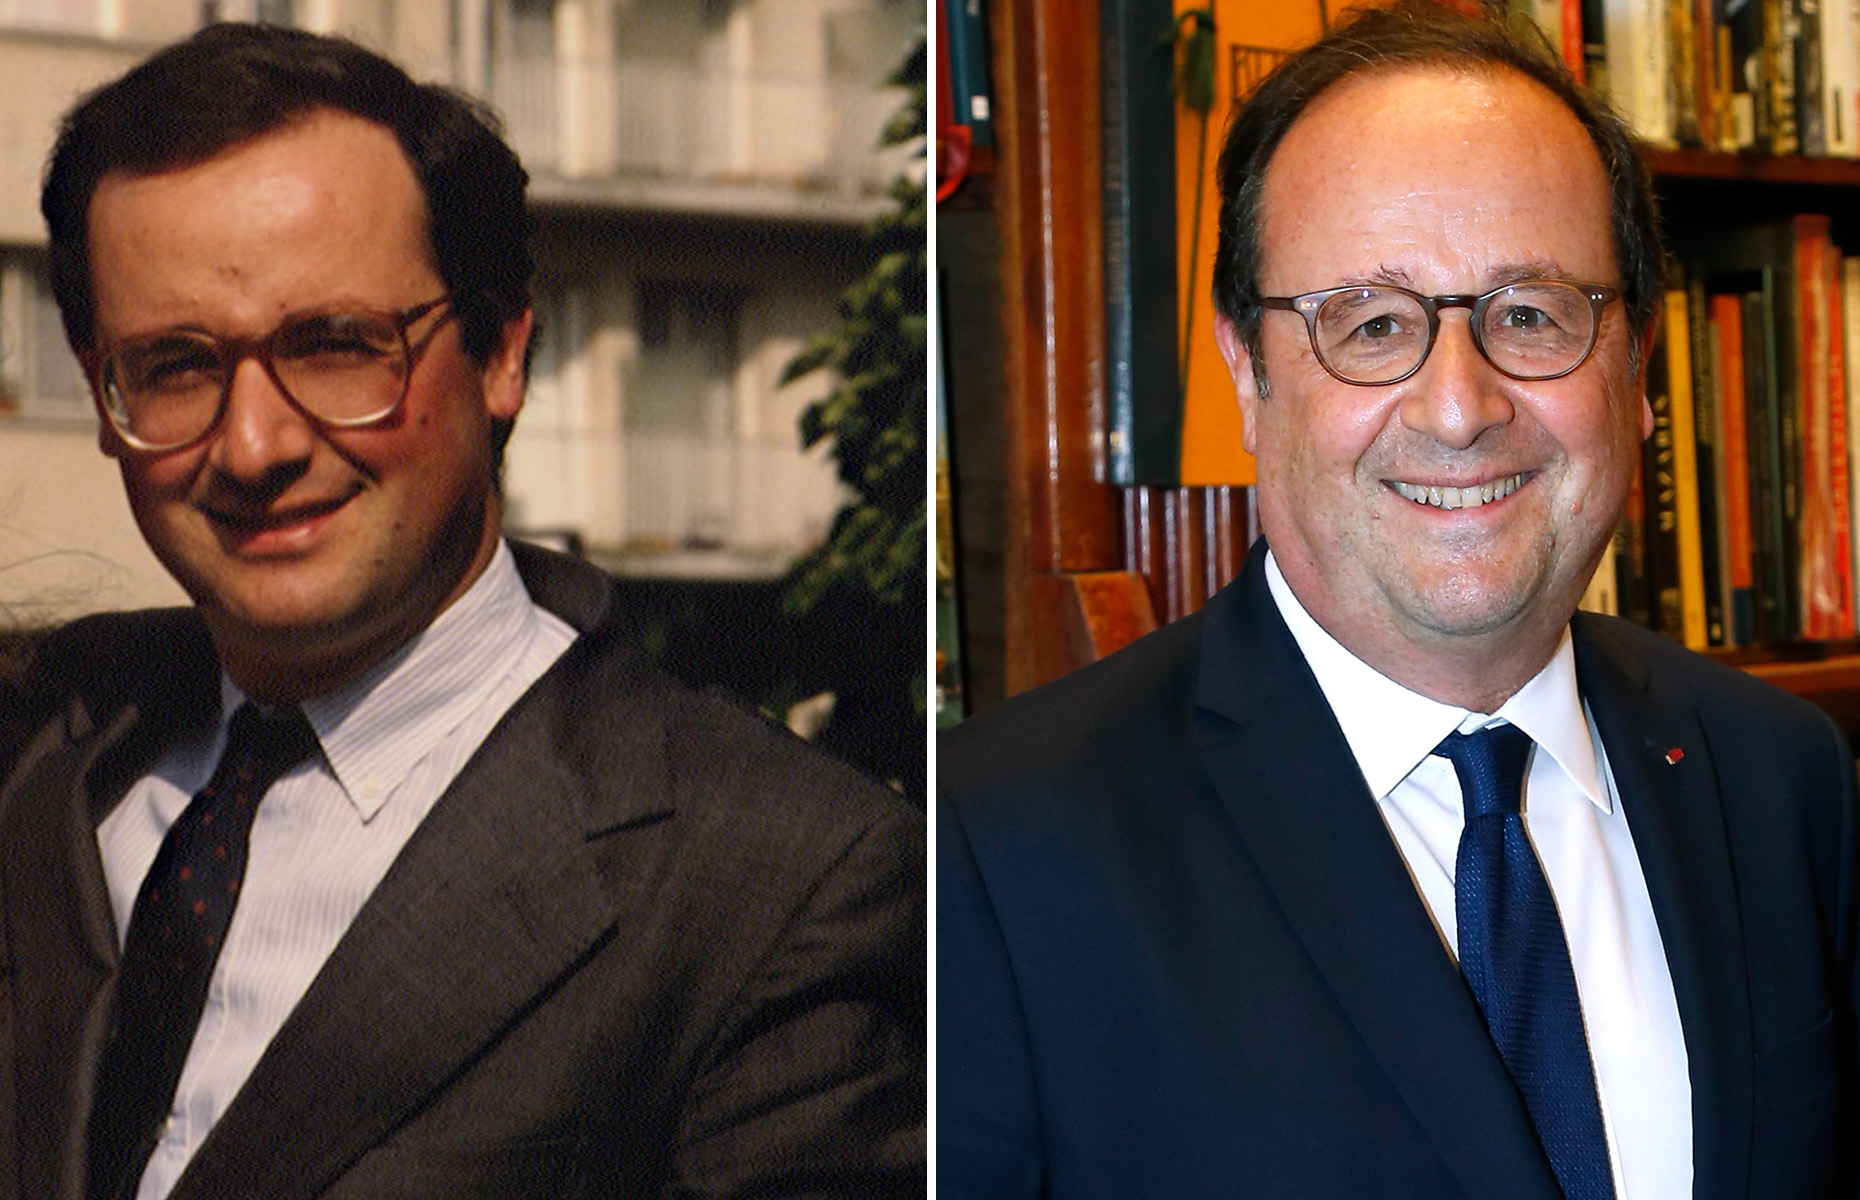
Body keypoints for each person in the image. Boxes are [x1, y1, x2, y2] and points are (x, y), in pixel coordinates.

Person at [938, 4, 1858, 1198]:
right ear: (1248, 378)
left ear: (1635, 369)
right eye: (1372, 326)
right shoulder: (994, 852)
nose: (1460, 405)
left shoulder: (1786, 781)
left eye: (1531, 313)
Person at [0, 23, 923, 1200]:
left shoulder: (778, 880)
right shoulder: (48, 738)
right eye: (175, 365)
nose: (254, 445)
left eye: (336, 346)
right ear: (100, 391)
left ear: (500, 355)